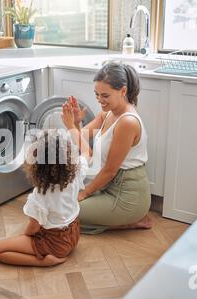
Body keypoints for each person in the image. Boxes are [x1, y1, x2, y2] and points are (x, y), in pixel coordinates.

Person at [61, 62, 152, 234]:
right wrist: (76, 124)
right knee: (60, 201)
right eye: (96, 94)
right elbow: (82, 144)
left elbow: (110, 170)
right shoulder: (108, 113)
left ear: (123, 91)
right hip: (107, 186)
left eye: (105, 95)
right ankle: (114, 219)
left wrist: (84, 194)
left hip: (126, 194)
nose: (100, 100)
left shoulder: (127, 122)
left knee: (63, 213)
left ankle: (128, 220)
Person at [0, 130, 88, 266]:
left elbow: (33, 228)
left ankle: (42, 262)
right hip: (74, 236)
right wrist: (74, 124)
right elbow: (86, 154)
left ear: (38, 166)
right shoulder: (76, 174)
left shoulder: (41, 195)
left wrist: (25, 236)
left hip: (56, 245)